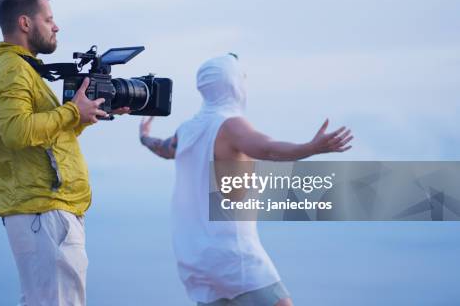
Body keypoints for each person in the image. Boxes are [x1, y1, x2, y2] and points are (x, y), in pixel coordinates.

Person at [138, 54, 353, 306]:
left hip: (195, 260)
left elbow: (164, 148)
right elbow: (268, 148)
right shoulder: (229, 125)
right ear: (234, 83)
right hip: (232, 256)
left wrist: (144, 137)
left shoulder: (188, 129)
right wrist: (310, 148)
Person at [0, 0, 128, 306]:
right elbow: (17, 131)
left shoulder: (22, 69)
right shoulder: (14, 70)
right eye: (49, 19)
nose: (56, 26)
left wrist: (82, 116)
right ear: (24, 22)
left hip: (43, 211)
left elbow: (43, 138)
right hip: (43, 211)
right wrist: (72, 110)